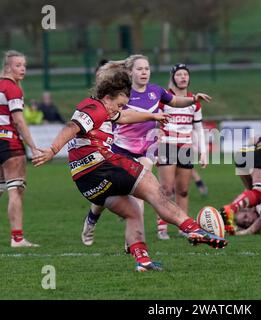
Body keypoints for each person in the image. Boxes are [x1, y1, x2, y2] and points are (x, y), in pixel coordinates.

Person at [32, 68, 227, 272]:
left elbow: (124, 116)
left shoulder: (101, 108)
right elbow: (71, 127)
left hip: (85, 182)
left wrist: (152, 116)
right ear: (107, 97)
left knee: (133, 212)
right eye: (118, 104)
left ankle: (142, 260)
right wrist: (52, 150)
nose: (119, 109)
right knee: (154, 189)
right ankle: (193, 229)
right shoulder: (96, 108)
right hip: (103, 165)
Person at [80, 55, 212, 247]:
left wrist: (193, 100)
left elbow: (175, 101)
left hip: (144, 153)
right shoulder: (123, 94)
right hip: (118, 150)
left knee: (138, 193)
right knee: (104, 195)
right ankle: (91, 219)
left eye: (147, 69)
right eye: (140, 69)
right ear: (130, 72)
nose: (144, 72)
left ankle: (132, 242)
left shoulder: (156, 91)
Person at [156, 63, 208, 240]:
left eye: (186, 74)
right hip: (167, 145)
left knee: (183, 190)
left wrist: (203, 152)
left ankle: (183, 227)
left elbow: (199, 129)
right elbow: (155, 121)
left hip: (185, 148)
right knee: (166, 189)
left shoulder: (194, 102)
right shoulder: (166, 98)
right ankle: (162, 228)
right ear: (173, 78)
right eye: (179, 75)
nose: (183, 77)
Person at [0, 50, 41, 247]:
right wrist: (33, 146)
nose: (22, 68)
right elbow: (18, 119)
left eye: (24, 65)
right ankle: (17, 238)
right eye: (18, 65)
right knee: (15, 190)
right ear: (7, 67)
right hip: (10, 144)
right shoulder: (13, 89)